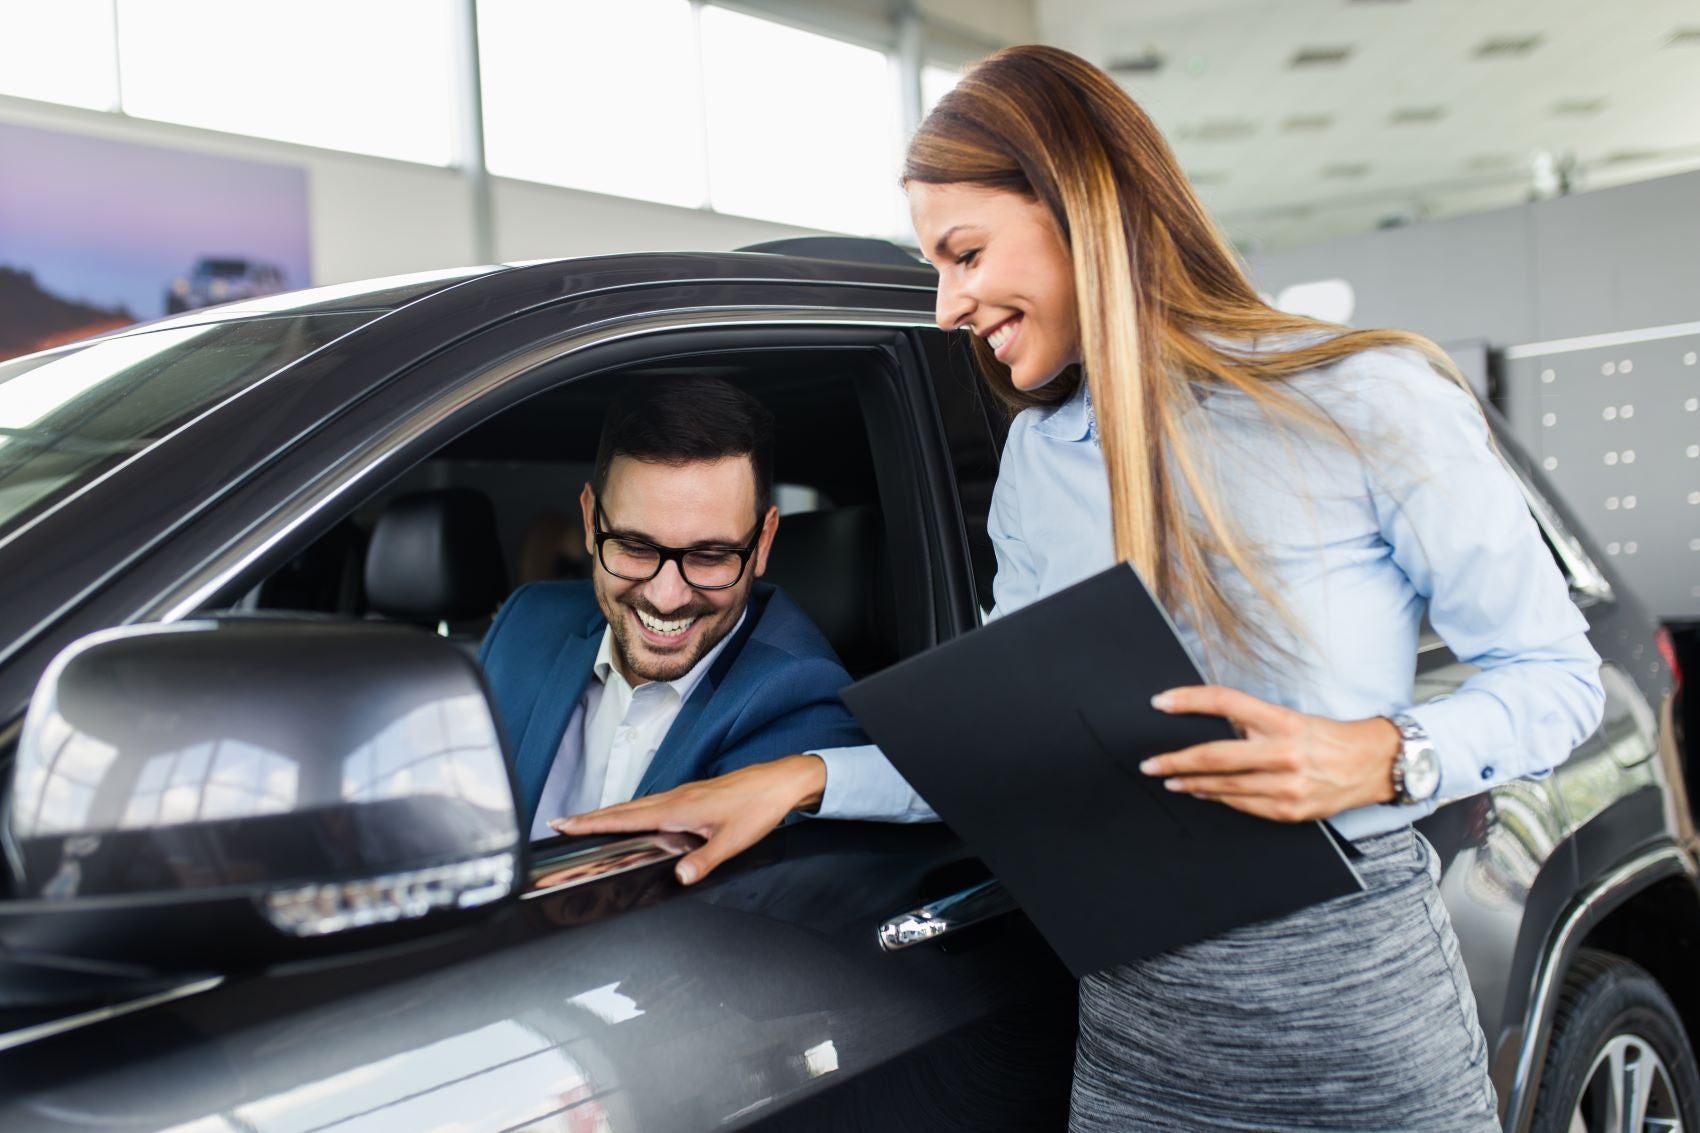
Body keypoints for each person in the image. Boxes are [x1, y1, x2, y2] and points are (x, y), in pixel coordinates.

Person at [557, 45, 1605, 1129]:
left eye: (963, 254)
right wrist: (804, 777)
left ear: (1076, 202)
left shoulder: (1362, 397)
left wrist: (1382, 752)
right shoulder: (1039, 458)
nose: (948, 302)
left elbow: (1557, 679)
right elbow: (1022, 753)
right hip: (1134, 1056)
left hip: (1352, 1037)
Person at [477, 375, 865, 839]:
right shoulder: (526, 621)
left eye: (709, 556)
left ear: (762, 543)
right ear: (589, 520)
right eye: (635, 547)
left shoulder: (802, 703)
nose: (666, 597)